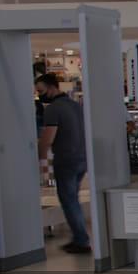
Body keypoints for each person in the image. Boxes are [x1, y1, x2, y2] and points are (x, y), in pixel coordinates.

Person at [35, 73, 91, 254]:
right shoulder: (75, 106)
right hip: (82, 158)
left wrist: (39, 159)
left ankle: (81, 240)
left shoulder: (53, 109)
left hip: (66, 160)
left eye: (41, 91)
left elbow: (47, 138)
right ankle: (79, 237)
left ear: (51, 87)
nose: (39, 94)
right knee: (73, 199)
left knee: (69, 201)